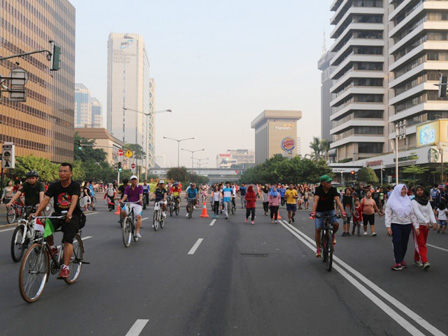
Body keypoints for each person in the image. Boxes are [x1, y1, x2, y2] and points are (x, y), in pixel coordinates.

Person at [30, 162, 84, 279]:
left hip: (73, 215)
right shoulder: (54, 186)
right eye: (60, 171)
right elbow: (46, 200)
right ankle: (52, 247)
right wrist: (37, 213)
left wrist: (69, 213)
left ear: (71, 173)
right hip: (58, 214)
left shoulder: (75, 185)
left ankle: (65, 268)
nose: (62, 173)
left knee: (67, 239)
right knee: (46, 225)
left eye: (65, 171)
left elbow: (74, 200)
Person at [385, 184, 419, 271]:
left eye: (405, 189)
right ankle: (398, 261)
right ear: (397, 190)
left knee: (404, 243)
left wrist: (416, 226)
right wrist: (388, 226)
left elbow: (412, 214)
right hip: (396, 224)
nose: (404, 191)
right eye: (402, 189)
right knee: (397, 242)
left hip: (407, 224)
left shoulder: (408, 201)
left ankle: (401, 260)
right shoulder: (391, 201)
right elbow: (388, 214)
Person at [310, 175, 346, 258]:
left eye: (330, 182)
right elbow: (316, 201)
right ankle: (318, 249)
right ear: (323, 183)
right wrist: (313, 212)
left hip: (330, 210)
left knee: (336, 224)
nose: (330, 183)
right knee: (318, 229)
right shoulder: (318, 190)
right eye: (328, 182)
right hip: (320, 211)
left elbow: (338, 201)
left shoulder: (333, 190)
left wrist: (343, 212)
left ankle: (332, 235)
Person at [412, 185, 436, 270]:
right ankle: (425, 261)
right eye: (417, 190)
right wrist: (426, 221)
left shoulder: (427, 201)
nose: (420, 192)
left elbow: (430, 211)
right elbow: (417, 213)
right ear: (415, 192)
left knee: (422, 243)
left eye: (421, 190)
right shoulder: (414, 201)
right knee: (421, 244)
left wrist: (434, 222)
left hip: (426, 226)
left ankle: (416, 258)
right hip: (418, 225)